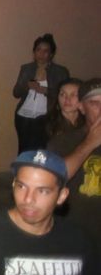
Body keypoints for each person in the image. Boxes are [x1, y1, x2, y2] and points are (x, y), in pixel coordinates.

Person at [49, 78, 101, 248]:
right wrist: (89, 143)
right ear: (82, 107)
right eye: (94, 103)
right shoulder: (65, 141)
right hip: (77, 233)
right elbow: (54, 178)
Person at [12, 33, 70, 153]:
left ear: (51, 54)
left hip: (46, 116)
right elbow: (16, 92)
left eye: (45, 51)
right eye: (38, 50)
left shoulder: (60, 71)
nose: (41, 54)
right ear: (34, 52)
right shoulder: (26, 68)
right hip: (24, 115)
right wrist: (27, 85)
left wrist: (45, 90)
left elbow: (64, 94)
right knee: (24, 150)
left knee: (41, 151)